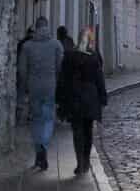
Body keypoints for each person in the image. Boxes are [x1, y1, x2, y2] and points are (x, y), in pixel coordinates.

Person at [17, 15, 64, 171]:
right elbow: (60, 67)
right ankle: (43, 144)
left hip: (34, 86)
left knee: (36, 119)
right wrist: (56, 80)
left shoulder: (27, 46)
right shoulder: (56, 44)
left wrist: (25, 87)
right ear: (47, 26)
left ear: (36, 28)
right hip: (50, 85)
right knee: (48, 118)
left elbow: (22, 70)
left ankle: (39, 151)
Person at [60, 26, 107, 176]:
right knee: (87, 131)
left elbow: (63, 79)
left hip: (75, 96)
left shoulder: (70, 56)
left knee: (77, 130)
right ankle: (85, 160)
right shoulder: (94, 56)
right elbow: (100, 79)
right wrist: (103, 97)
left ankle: (80, 162)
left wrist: (61, 98)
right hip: (90, 97)